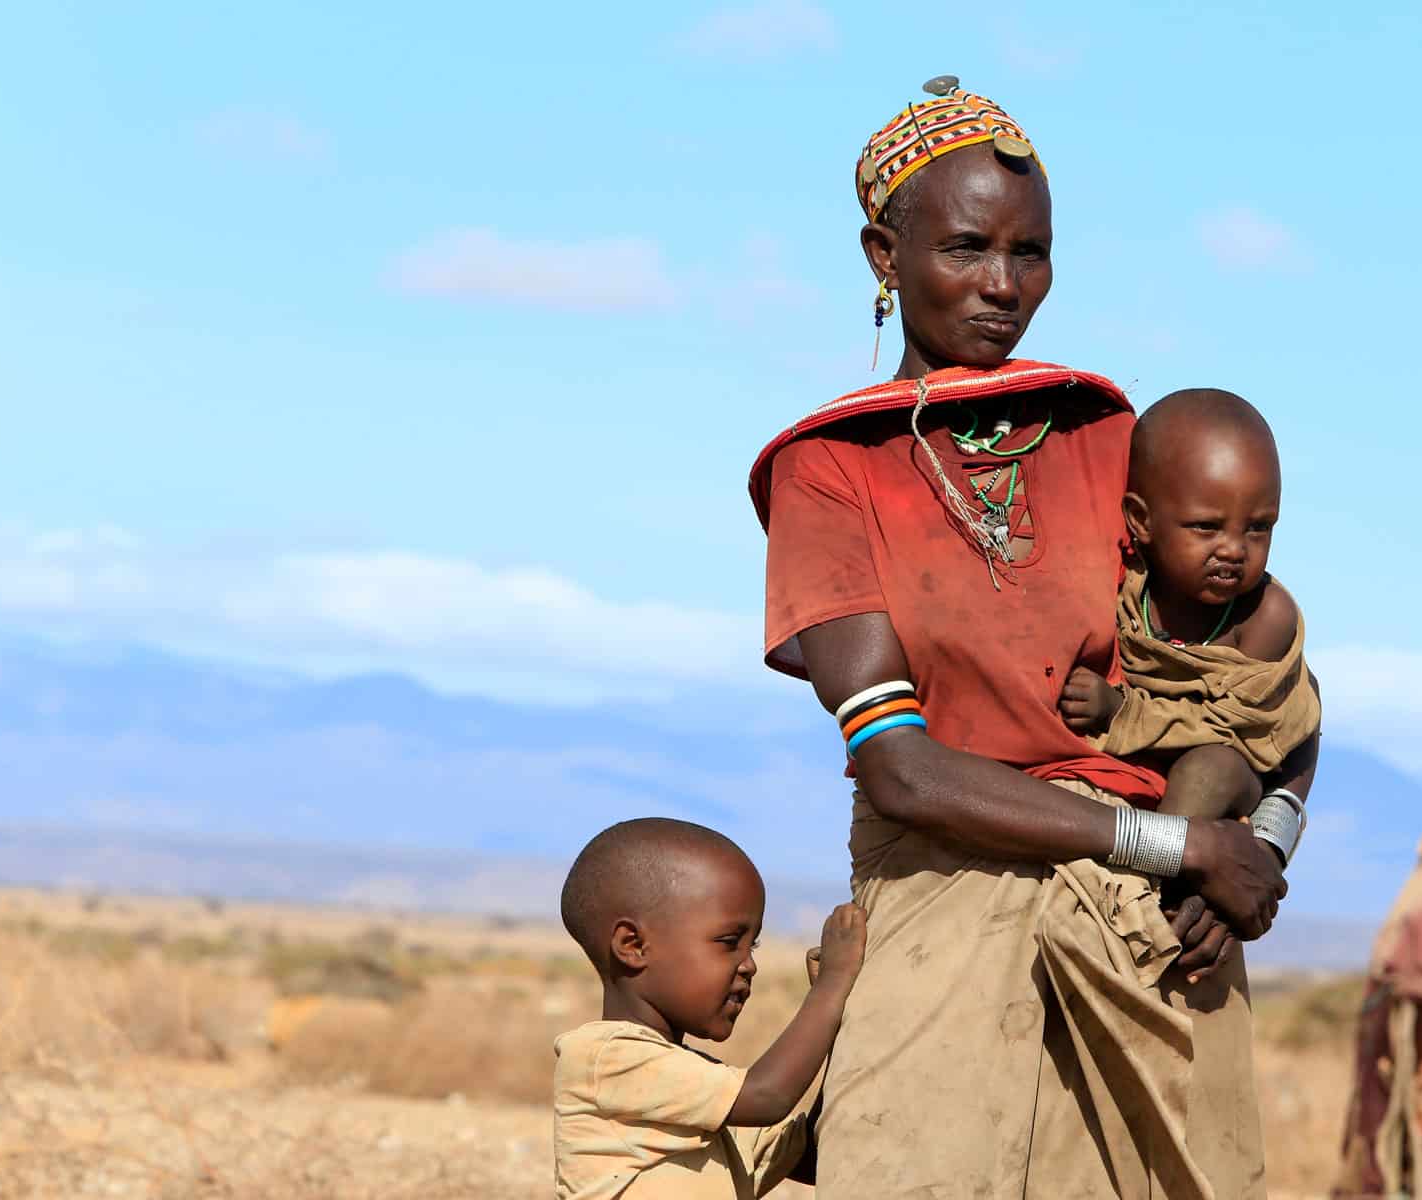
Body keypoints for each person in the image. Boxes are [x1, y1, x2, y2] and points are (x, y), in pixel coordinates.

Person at [747, 78, 1318, 1198]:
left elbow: (1271, 694)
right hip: (945, 899)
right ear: (883, 252)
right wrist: (1179, 849)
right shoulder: (829, 472)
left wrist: (1261, 851)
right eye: (966, 248)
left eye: (1031, 252)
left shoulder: (1104, 434)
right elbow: (900, 768)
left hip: (1150, 932)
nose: (1003, 287)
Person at [1059, 388, 1321, 851]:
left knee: (1207, 770)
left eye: (1259, 527)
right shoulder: (1121, 590)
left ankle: (1151, 889)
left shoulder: (1263, 616)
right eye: (1207, 527)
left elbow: (1232, 730)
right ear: (1141, 520)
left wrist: (1120, 712)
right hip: (1124, 775)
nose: (1234, 549)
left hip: (1227, 774)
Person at [551, 817, 866, 1200]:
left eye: (754, 946)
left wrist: (842, 1021)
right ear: (632, 945)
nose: (749, 964)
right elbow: (767, 1096)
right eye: (729, 942)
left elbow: (813, 1153)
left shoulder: (700, 1092)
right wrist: (832, 987)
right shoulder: (603, 1059)